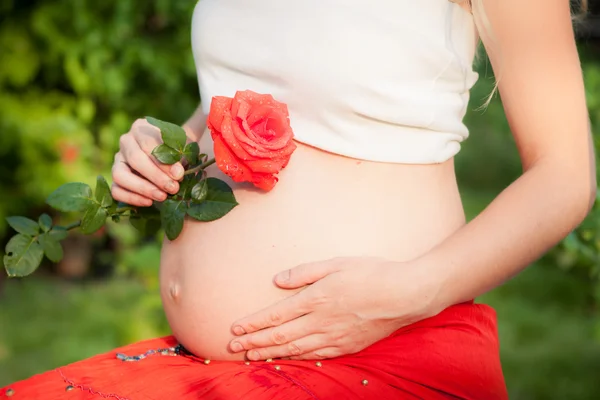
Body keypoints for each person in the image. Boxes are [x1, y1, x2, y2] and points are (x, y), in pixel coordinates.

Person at [2, 0, 595, 399]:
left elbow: (565, 175)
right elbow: (261, 87)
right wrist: (164, 147)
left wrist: (414, 290)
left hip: (380, 350)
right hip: (218, 364)